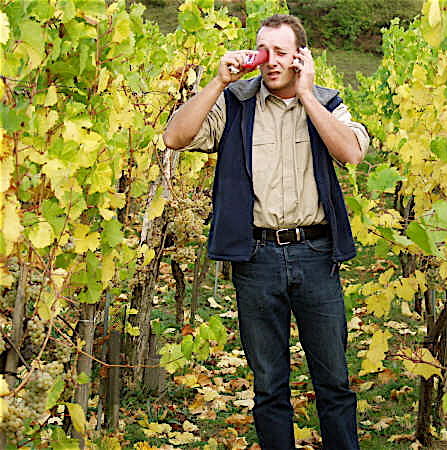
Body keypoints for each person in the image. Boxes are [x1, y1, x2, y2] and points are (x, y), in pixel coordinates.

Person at [163, 14, 368, 450]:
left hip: (316, 256)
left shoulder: (328, 103)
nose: (269, 60)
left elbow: (350, 152)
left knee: (333, 381)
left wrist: (308, 94)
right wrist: (217, 83)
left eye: (280, 51)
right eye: (263, 50)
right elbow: (175, 137)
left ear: (300, 56)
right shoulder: (236, 103)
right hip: (257, 259)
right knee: (269, 385)